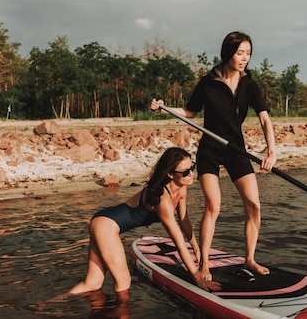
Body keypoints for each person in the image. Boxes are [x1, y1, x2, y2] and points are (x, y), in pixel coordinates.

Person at [151, 31, 277, 281]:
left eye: (248, 54)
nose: (245, 58)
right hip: (210, 150)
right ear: (228, 53)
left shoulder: (249, 84)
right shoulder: (208, 83)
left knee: (254, 206)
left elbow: (264, 117)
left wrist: (271, 150)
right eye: (240, 53)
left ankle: (249, 259)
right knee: (214, 205)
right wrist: (164, 108)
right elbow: (189, 111)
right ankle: (204, 262)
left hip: (236, 150)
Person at [69, 147, 220, 296]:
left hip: (101, 221)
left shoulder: (181, 188)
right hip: (105, 226)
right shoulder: (163, 199)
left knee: (92, 283)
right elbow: (179, 242)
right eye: (185, 172)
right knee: (123, 283)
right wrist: (199, 279)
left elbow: (184, 220)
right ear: (170, 174)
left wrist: (196, 247)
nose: (191, 174)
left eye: (192, 167)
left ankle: (48, 306)